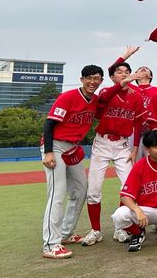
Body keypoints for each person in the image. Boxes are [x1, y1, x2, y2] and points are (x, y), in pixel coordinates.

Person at [40, 65, 104, 259]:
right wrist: (49, 152)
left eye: (97, 79)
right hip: (56, 145)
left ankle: (66, 233)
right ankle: (51, 244)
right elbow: (49, 123)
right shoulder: (68, 97)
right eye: (89, 78)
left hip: (73, 147)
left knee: (80, 189)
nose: (93, 82)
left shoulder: (96, 101)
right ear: (82, 79)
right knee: (57, 193)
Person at [82, 62, 145, 247]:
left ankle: (120, 228)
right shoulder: (106, 92)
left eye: (127, 72)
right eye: (119, 72)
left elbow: (138, 124)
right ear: (112, 77)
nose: (124, 74)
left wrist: (134, 149)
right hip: (102, 142)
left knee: (129, 187)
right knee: (93, 189)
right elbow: (102, 102)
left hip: (123, 144)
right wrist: (123, 84)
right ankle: (95, 230)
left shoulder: (136, 96)